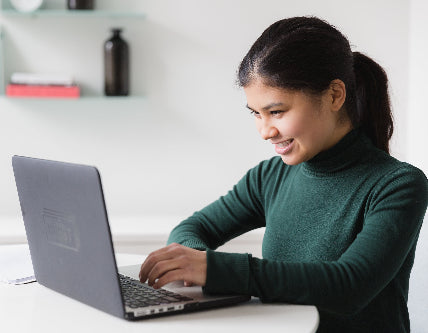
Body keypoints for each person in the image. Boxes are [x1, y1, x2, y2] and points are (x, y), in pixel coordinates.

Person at [138, 16, 428, 332]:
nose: (265, 131)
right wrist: (195, 264)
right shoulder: (269, 176)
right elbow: (194, 228)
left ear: (334, 95)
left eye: (277, 111)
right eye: (256, 114)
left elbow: (349, 287)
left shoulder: (398, 185)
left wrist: (215, 270)